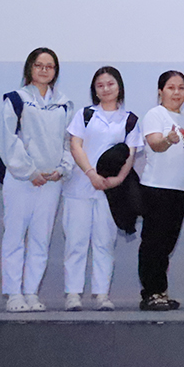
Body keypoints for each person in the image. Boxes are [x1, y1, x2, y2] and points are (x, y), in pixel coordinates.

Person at [0, 48, 74, 312]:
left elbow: (68, 142)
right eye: (39, 65)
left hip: (51, 182)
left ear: (55, 72)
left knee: (41, 239)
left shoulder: (64, 104)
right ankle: (14, 294)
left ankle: (31, 292)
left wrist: (61, 170)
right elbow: (6, 139)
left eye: (49, 66)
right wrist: (30, 172)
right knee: (15, 236)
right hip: (22, 180)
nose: (44, 70)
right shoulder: (16, 99)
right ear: (30, 68)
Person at [62, 66, 140, 311]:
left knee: (104, 243)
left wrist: (117, 180)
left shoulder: (129, 120)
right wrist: (91, 174)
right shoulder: (84, 115)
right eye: (100, 85)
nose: (106, 89)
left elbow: (130, 155)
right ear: (94, 90)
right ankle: (73, 294)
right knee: (76, 242)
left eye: (110, 84)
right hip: (80, 188)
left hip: (111, 191)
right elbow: (76, 146)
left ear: (119, 87)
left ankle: (101, 294)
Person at [139, 71, 184, 311]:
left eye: (181, 87)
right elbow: (155, 144)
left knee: (167, 244)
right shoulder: (155, 114)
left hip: (180, 189)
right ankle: (150, 293)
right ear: (160, 91)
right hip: (157, 187)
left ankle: (160, 291)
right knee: (154, 243)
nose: (177, 92)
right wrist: (167, 140)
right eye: (171, 87)